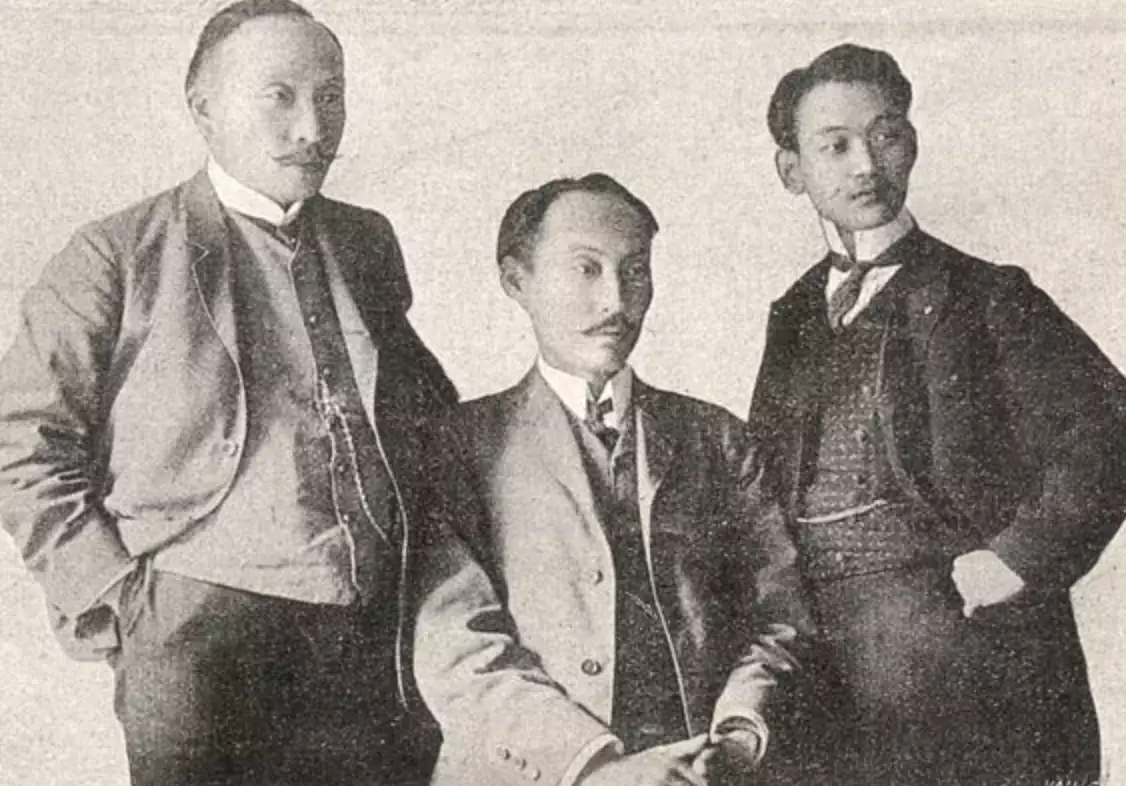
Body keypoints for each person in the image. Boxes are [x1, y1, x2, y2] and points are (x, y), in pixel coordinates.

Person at [0, 2, 456, 784]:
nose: (313, 127)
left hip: (373, 630)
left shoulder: (365, 240)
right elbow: (20, 439)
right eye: (280, 96)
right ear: (204, 107)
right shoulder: (116, 252)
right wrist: (116, 596)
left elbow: (422, 414)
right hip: (196, 637)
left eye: (331, 97)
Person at [748, 42, 1126, 785]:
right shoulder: (792, 315)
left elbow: (1112, 428)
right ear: (792, 171)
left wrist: (1017, 559)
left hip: (967, 665)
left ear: (912, 143)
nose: (866, 164)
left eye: (885, 135)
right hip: (830, 677)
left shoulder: (987, 296)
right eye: (835, 146)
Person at [411, 173, 809, 786]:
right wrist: (596, 767)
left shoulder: (718, 439)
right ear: (517, 280)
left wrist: (736, 736)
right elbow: (457, 646)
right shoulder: (456, 446)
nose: (616, 302)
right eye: (585, 269)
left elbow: (779, 616)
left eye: (635, 271)